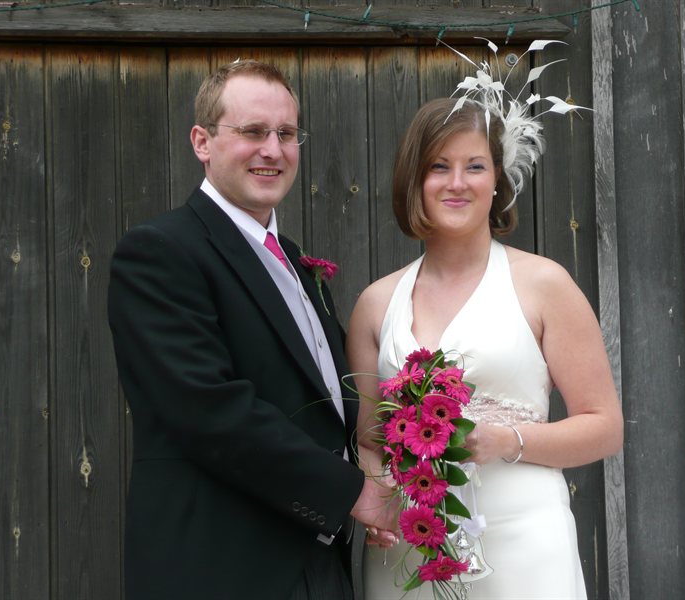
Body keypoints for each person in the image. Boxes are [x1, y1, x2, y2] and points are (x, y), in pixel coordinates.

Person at [108, 59, 397, 600]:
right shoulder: (161, 253)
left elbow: (327, 403)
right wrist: (352, 493)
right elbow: (206, 409)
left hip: (316, 558)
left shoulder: (292, 260)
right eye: (251, 132)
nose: (272, 149)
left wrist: (395, 461)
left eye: (286, 134)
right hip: (219, 564)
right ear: (202, 141)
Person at [347, 96, 624, 599]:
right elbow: (370, 441)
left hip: (524, 540)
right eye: (439, 167)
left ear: (497, 179)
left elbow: (604, 427)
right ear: (416, 180)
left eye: (474, 166)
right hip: (411, 550)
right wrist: (376, 494)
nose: (457, 183)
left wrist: (506, 440)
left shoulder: (544, 285)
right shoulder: (376, 304)